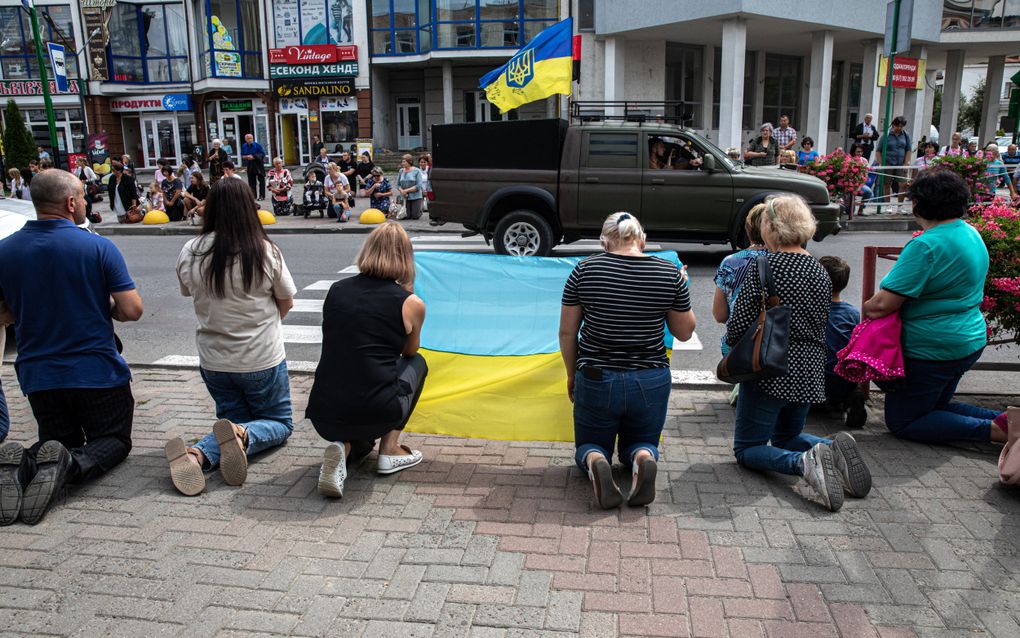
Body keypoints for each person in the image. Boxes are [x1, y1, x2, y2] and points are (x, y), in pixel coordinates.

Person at [0, 169, 143, 525]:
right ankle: (71, 467)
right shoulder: (96, 246)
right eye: (82, 197)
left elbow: (2, 314)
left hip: (38, 376)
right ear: (69, 202)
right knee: (113, 440)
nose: (85, 202)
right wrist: (99, 305)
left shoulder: (5, 251)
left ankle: (27, 462)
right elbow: (132, 309)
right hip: (96, 372)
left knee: (56, 439)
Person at [726, 195, 871, 512]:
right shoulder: (820, 271)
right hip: (810, 367)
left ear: (770, 227)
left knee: (748, 448)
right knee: (788, 434)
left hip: (770, 366)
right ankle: (830, 449)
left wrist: (734, 350)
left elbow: (738, 324)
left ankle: (804, 463)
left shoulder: (764, 266)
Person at [167, 178, 297, 496]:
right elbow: (286, 302)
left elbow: (188, 291)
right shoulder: (265, 251)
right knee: (280, 424)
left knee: (236, 415)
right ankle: (237, 435)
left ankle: (196, 455)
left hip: (214, 360)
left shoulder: (190, 251)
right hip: (261, 357)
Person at [559, 212, 695, 509]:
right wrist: (682, 286)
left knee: (590, 444)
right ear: (642, 239)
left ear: (604, 242)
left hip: (596, 376)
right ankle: (642, 459)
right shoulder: (669, 272)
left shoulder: (584, 270)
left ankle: (595, 461)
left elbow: (567, 332)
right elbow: (684, 333)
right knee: (643, 441)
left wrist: (572, 375)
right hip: (650, 377)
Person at [863, 169, 1007, 447]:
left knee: (904, 421)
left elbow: (881, 306)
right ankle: (1008, 422)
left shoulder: (926, 245)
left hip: (932, 348)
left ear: (918, 204)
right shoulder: (970, 233)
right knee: (934, 407)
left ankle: (996, 432)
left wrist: (868, 306)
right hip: (968, 340)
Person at [306, 222, 427, 498]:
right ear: (406, 257)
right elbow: (409, 352)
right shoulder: (410, 303)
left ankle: (344, 448)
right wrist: (406, 292)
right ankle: (390, 450)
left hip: (324, 414)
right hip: (377, 412)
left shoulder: (336, 290)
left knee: (360, 436)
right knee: (418, 364)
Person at [712, 205, 768, 405]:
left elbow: (720, 315)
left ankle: (743, 387)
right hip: (776, 345)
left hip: (737, 349)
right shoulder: (787, 261)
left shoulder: (731, 262)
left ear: (748, 228)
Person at [818, 256, 867, 429]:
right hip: (844, 379)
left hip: (816, 380)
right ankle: (851, 398)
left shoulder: (813, 311)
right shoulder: (852, 313)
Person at [875, 116, 911, 212]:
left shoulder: (905, 135)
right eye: (898, 126)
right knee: (887, 184)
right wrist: (880, 163)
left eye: (902, 126)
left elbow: (908, 150)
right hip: (888, 162)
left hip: (900, 163)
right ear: (893, 125)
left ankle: (900, 206)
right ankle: (888, 206)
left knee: (903, 184)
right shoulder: (886, 135)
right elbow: (878, 151)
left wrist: (906, 163)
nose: (899, 128)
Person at [396, 154, 425, 220]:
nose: (402, 163)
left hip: (416, 196)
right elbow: (398, 185)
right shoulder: (401, 171)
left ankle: (419, 210)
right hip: (405, 197)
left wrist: (406, 191)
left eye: (404, 161)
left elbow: (419, 185)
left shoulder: (417, 171)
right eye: (402, 161)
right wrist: (402, 191)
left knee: (415, 216)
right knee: (407, 216)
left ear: (410, 162)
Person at [241, 134, 266, 200]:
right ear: (246, 139)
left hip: (258, 164)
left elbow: (263, 154)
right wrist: (246, 157)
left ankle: (262, 196)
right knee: (251, 181)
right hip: (250, 164)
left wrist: (253, 156)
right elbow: (242, 155)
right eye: (248, 138)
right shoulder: (244, 146)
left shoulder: (257, 145)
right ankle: (253, 195)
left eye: (251, 138)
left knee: (261, 181)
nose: (250, 140)